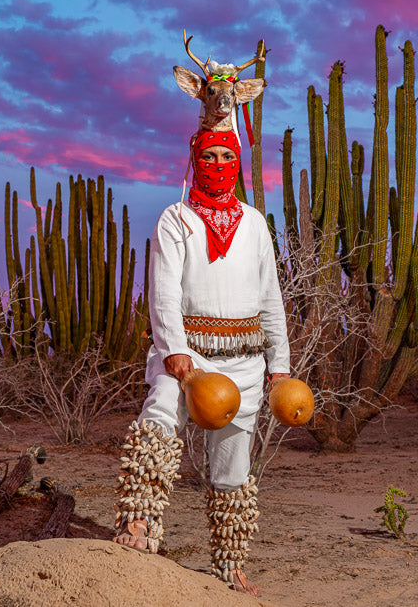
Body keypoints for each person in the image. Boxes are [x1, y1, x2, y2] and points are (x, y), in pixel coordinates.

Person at [112, 129, 289, 596]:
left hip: (247, 364)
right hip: (188, 359)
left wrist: (280, 364)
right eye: (208, 155)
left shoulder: (254, 223)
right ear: (194, 158)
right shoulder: (175, 219)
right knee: (159, 418)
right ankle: (138, 525)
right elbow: (164, 290)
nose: (217, 162)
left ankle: (229, 565)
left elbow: (270, 296)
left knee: (234, 466)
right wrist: (176, 352)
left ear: (238, 161)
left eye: (226, 155)